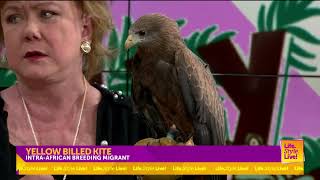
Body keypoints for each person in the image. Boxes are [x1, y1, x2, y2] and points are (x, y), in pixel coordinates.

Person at [0, 1, 149, 180]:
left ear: (85, 29)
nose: (30, 31)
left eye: (47, 14)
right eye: (13, 18)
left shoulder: (136, 123)